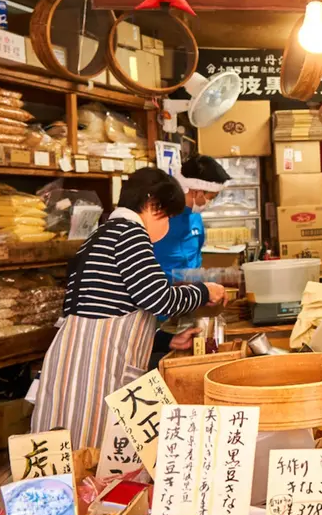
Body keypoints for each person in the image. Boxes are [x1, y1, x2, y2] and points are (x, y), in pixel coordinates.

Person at [32, 168, 227, 447]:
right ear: (152, 204)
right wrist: (204, 290)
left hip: (79, 363)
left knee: (72, 452)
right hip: (95, 369)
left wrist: (167, 339)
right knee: (89, 453)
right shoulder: (130, 235)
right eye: (168, 217)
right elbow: (159, 299)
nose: (169, 226)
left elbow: (116, 306)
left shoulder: (102, 234)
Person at [153, 155, 230, 280]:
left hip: (192, 294)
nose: (210, 202)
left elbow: (196, 258)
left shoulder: (196, 218)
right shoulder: (158, 218)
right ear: (198, 192)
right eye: (211, 197)